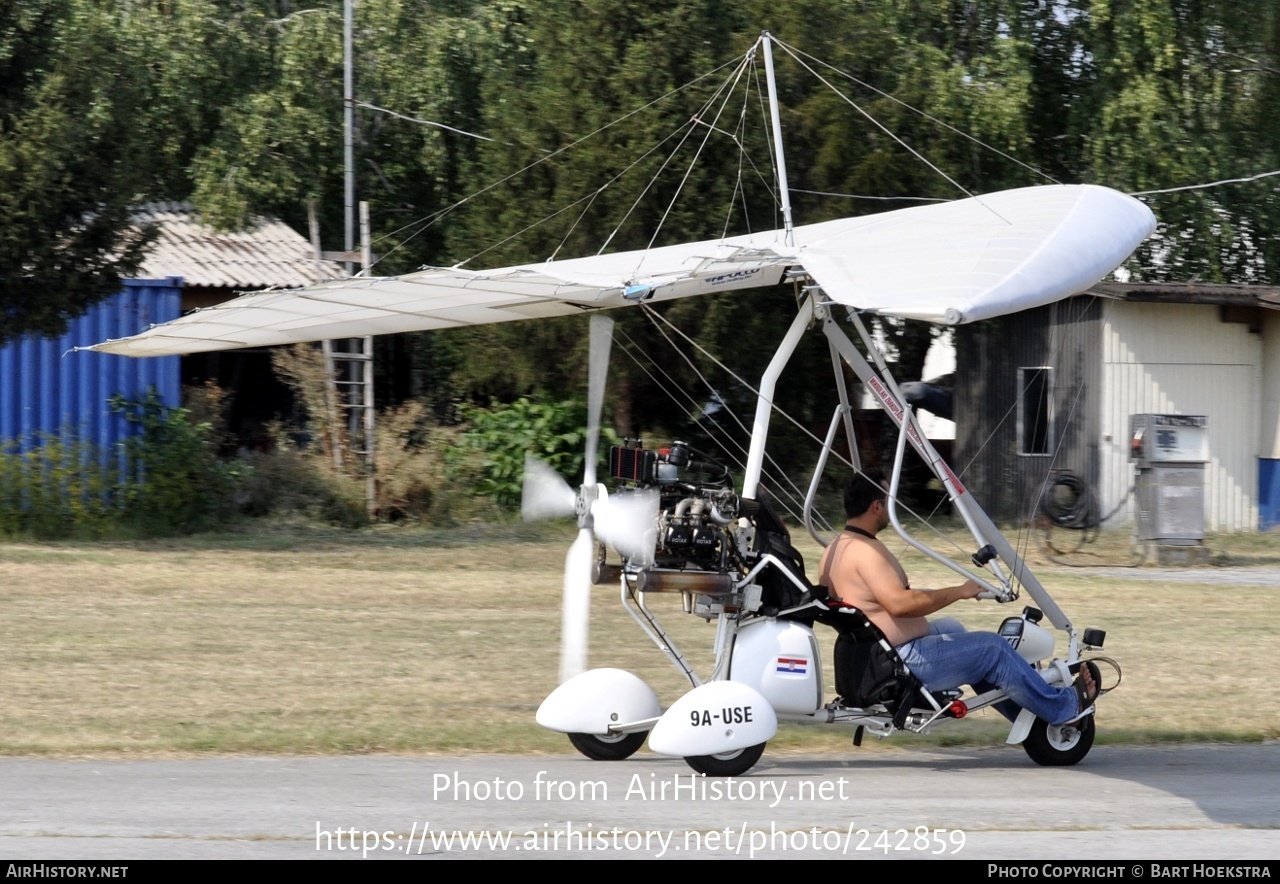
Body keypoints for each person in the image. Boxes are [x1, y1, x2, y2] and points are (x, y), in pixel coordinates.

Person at [819, 470, 1097, 725]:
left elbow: (884, 602)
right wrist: (959, 592)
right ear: (877, 507)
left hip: (870, 656)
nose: (893, 507)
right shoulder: (867, 553)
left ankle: (1028, 714)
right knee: (993, 649)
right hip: (900, 663)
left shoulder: (836, 548)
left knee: (952, 628)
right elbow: (899, 605)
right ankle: (1064, 708)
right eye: (889, 499)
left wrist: (956, 591)